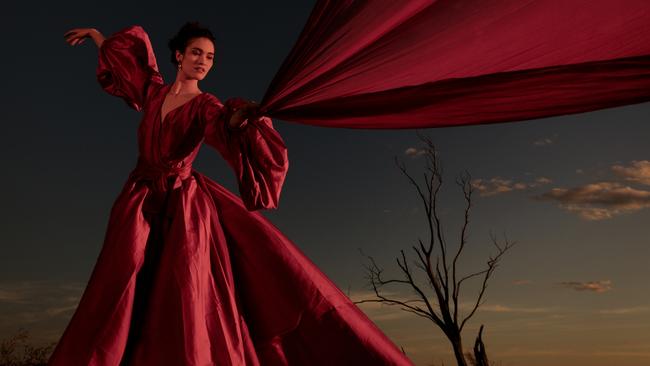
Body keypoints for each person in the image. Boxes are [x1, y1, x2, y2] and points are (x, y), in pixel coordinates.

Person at [49, 21, 414, 366]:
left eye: (209, 57)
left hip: (183, 210)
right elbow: (128, 67)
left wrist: (240, 120)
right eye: (196, 53)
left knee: (182, 296)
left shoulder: (205, 105)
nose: (203, 62)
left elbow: (224, 123)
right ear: (178, 55)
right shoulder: (154, 92)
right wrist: (98, 36)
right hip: (139, 203)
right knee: (120, 288)